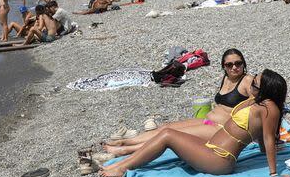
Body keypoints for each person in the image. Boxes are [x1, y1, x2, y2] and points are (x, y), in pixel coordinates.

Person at [99, 69, 286, 177]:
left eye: (255, 83)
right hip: (211, 148)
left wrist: (273, 173)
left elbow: (268, 138)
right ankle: (123, 160)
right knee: (169, 130)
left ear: (266, 90)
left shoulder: (270, 108)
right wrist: (263, 150)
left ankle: (122, 167)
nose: (251, 83)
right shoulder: (258, 102)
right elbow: (263, 137)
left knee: (167, 136)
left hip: (219, 160)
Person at [104, 49, 255, 155]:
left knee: (173, 134)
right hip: (207, 122)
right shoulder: (226, 78)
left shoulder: (248, 81)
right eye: (229, 65)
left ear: (243, 63)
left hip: (220, 128)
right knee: (166, 127)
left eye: (238, 63)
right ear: (224, 66)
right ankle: (127, 141)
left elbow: (260, 106)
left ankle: (124, 150)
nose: (234, 67)